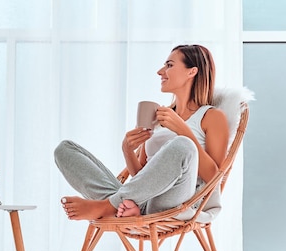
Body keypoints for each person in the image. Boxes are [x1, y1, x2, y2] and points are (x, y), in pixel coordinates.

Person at [54, 44, 229, 221]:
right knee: (65, 149)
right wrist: (127, 150)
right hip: (142, 200)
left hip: (179, 201)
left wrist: (183, 131)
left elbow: (215, 178)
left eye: (169, 65)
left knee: (183, 145)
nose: (160, 72)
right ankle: (124, 207)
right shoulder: (159, 117)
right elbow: (142, 178)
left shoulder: (211, 116)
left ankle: (108, 206)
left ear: (191, 72)